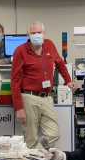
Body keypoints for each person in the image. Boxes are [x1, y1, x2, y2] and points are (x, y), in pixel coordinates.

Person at [10, 20, 77, 149]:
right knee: (31, 137)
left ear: (44, 33)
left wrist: (68, 80)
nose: (36, 35)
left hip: (47, 97)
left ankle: (34, 154)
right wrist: (19, 107)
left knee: (54, 133)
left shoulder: (49, 45)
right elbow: (15, 81)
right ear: (28, 35)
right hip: (29, 98)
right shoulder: (20, 51)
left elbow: (60, 64)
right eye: (33, 33)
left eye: (39, 32)